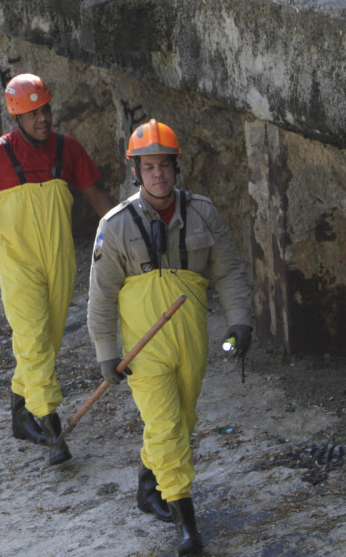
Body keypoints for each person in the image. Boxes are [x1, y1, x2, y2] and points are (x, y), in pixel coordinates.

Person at [87, 119, 253, 557]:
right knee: (164, 426)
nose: (157, 174)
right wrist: (107, 353)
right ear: (135, 171)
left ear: (176, 167)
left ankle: (149, 484)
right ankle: (187, 524)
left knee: (183, 419)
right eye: (148, 166)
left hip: (190, 337)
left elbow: (229, 270)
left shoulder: (203, 212)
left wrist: (240, 322)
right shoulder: (115, 225)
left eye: (164, 165)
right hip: (144, 347)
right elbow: (101, 297)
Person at [0, 73, 113, 465]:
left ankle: (19, 412)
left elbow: (99, 200)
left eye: (45, 109)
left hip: (59, 261)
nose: (42, 118)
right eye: (32, 113)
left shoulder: (68, 150)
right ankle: (51, 425)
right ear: (16, 118)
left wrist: (125, 235)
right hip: (16, 263)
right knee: (34, 338)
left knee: (47, 339)